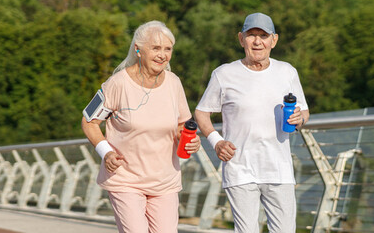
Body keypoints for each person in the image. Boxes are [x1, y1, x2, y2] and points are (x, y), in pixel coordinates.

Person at [81, 20, 200, 233]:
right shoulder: (117, 84)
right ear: (138, 49)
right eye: (156, 48)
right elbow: (89, 122)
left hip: (164, 181)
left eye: (167, 49)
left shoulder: (174, 83)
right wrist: (106, 152)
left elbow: (182, 125)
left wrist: (191, 140)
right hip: (125, 178)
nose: (163, 55)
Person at [195, 12, 309, 233]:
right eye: (251, 35)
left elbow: (304, 110)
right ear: (241, 39)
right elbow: (201, 112)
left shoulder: (287, 71)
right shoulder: (224, 74)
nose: (257, 41)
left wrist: (299, 119)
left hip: (279, 169)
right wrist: (217, 142)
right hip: (240, 168)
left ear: (273, 40)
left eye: (263, 35)